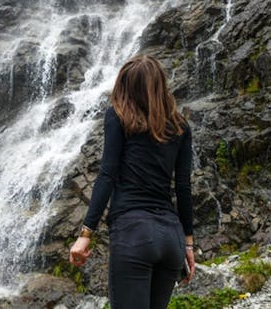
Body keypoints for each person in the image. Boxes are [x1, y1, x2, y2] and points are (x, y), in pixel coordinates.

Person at [69, 54, 195, 309]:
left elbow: (107, 174)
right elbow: (183, 188)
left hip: (133, 232)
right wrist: (189, 244)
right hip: (171, 238)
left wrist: (86, 234)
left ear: (125, 86)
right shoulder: (181, 126)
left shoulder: (118, 117)